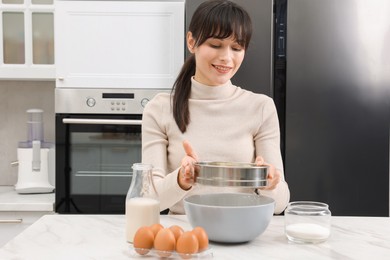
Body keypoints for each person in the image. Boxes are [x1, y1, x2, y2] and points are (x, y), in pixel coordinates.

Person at [142, 0, 290, 214]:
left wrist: (269, 184)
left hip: (244, 232)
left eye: (237, 48)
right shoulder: (160, 108)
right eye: (215, 45)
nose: (227, 57)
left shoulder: (261, 107)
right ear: (191, 42)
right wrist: (181, 180)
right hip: (185, 236)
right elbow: (148, 198)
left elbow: (280, 204)